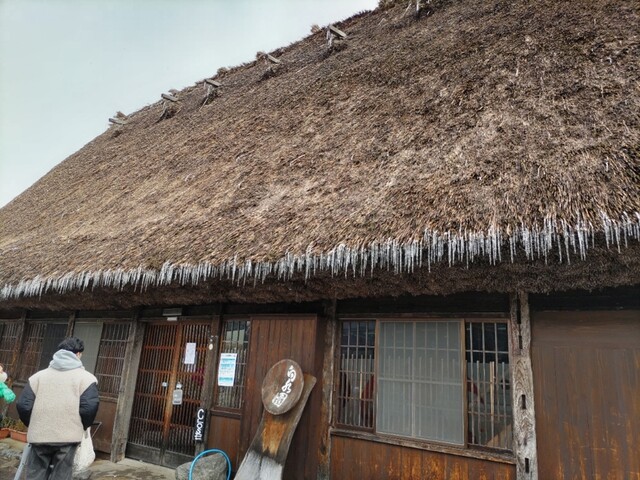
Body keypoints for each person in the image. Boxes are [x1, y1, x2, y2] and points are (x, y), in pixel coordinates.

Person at [17, 337, 99, 480]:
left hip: (39, 436)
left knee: (35, 475)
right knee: (61, 476)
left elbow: (23, 405)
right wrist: (81, 426)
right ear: (78, 354)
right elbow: (89, 408)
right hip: (68, 437)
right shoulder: (87, 378)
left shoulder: (37, 377)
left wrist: (35, 424)